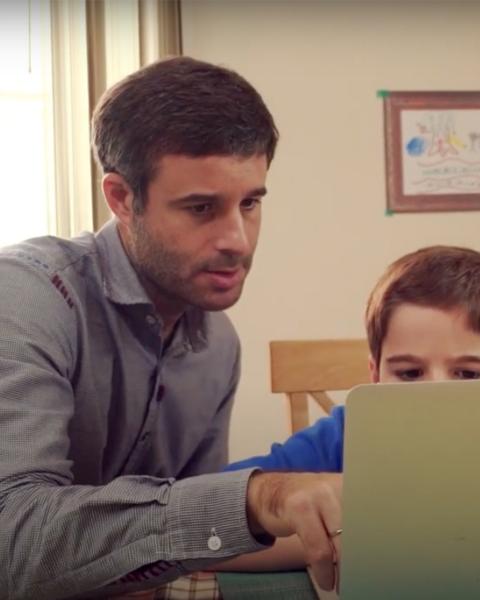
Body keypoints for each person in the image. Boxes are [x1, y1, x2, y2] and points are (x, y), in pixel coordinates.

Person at [0, 57, 341, 599]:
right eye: (202, 207)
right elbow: (12, 541)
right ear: (122, 199)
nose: (238, 239)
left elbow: (185, 548)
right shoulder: (27, 297)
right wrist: (256, 499)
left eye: (250, 203)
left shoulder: (218, 346)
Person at [219, 245, 480, 570]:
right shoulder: (346, 434)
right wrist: (341, 538)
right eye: (409, 373)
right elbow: (198, 523)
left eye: (468, 374)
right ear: (375, 375)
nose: (435, 396)